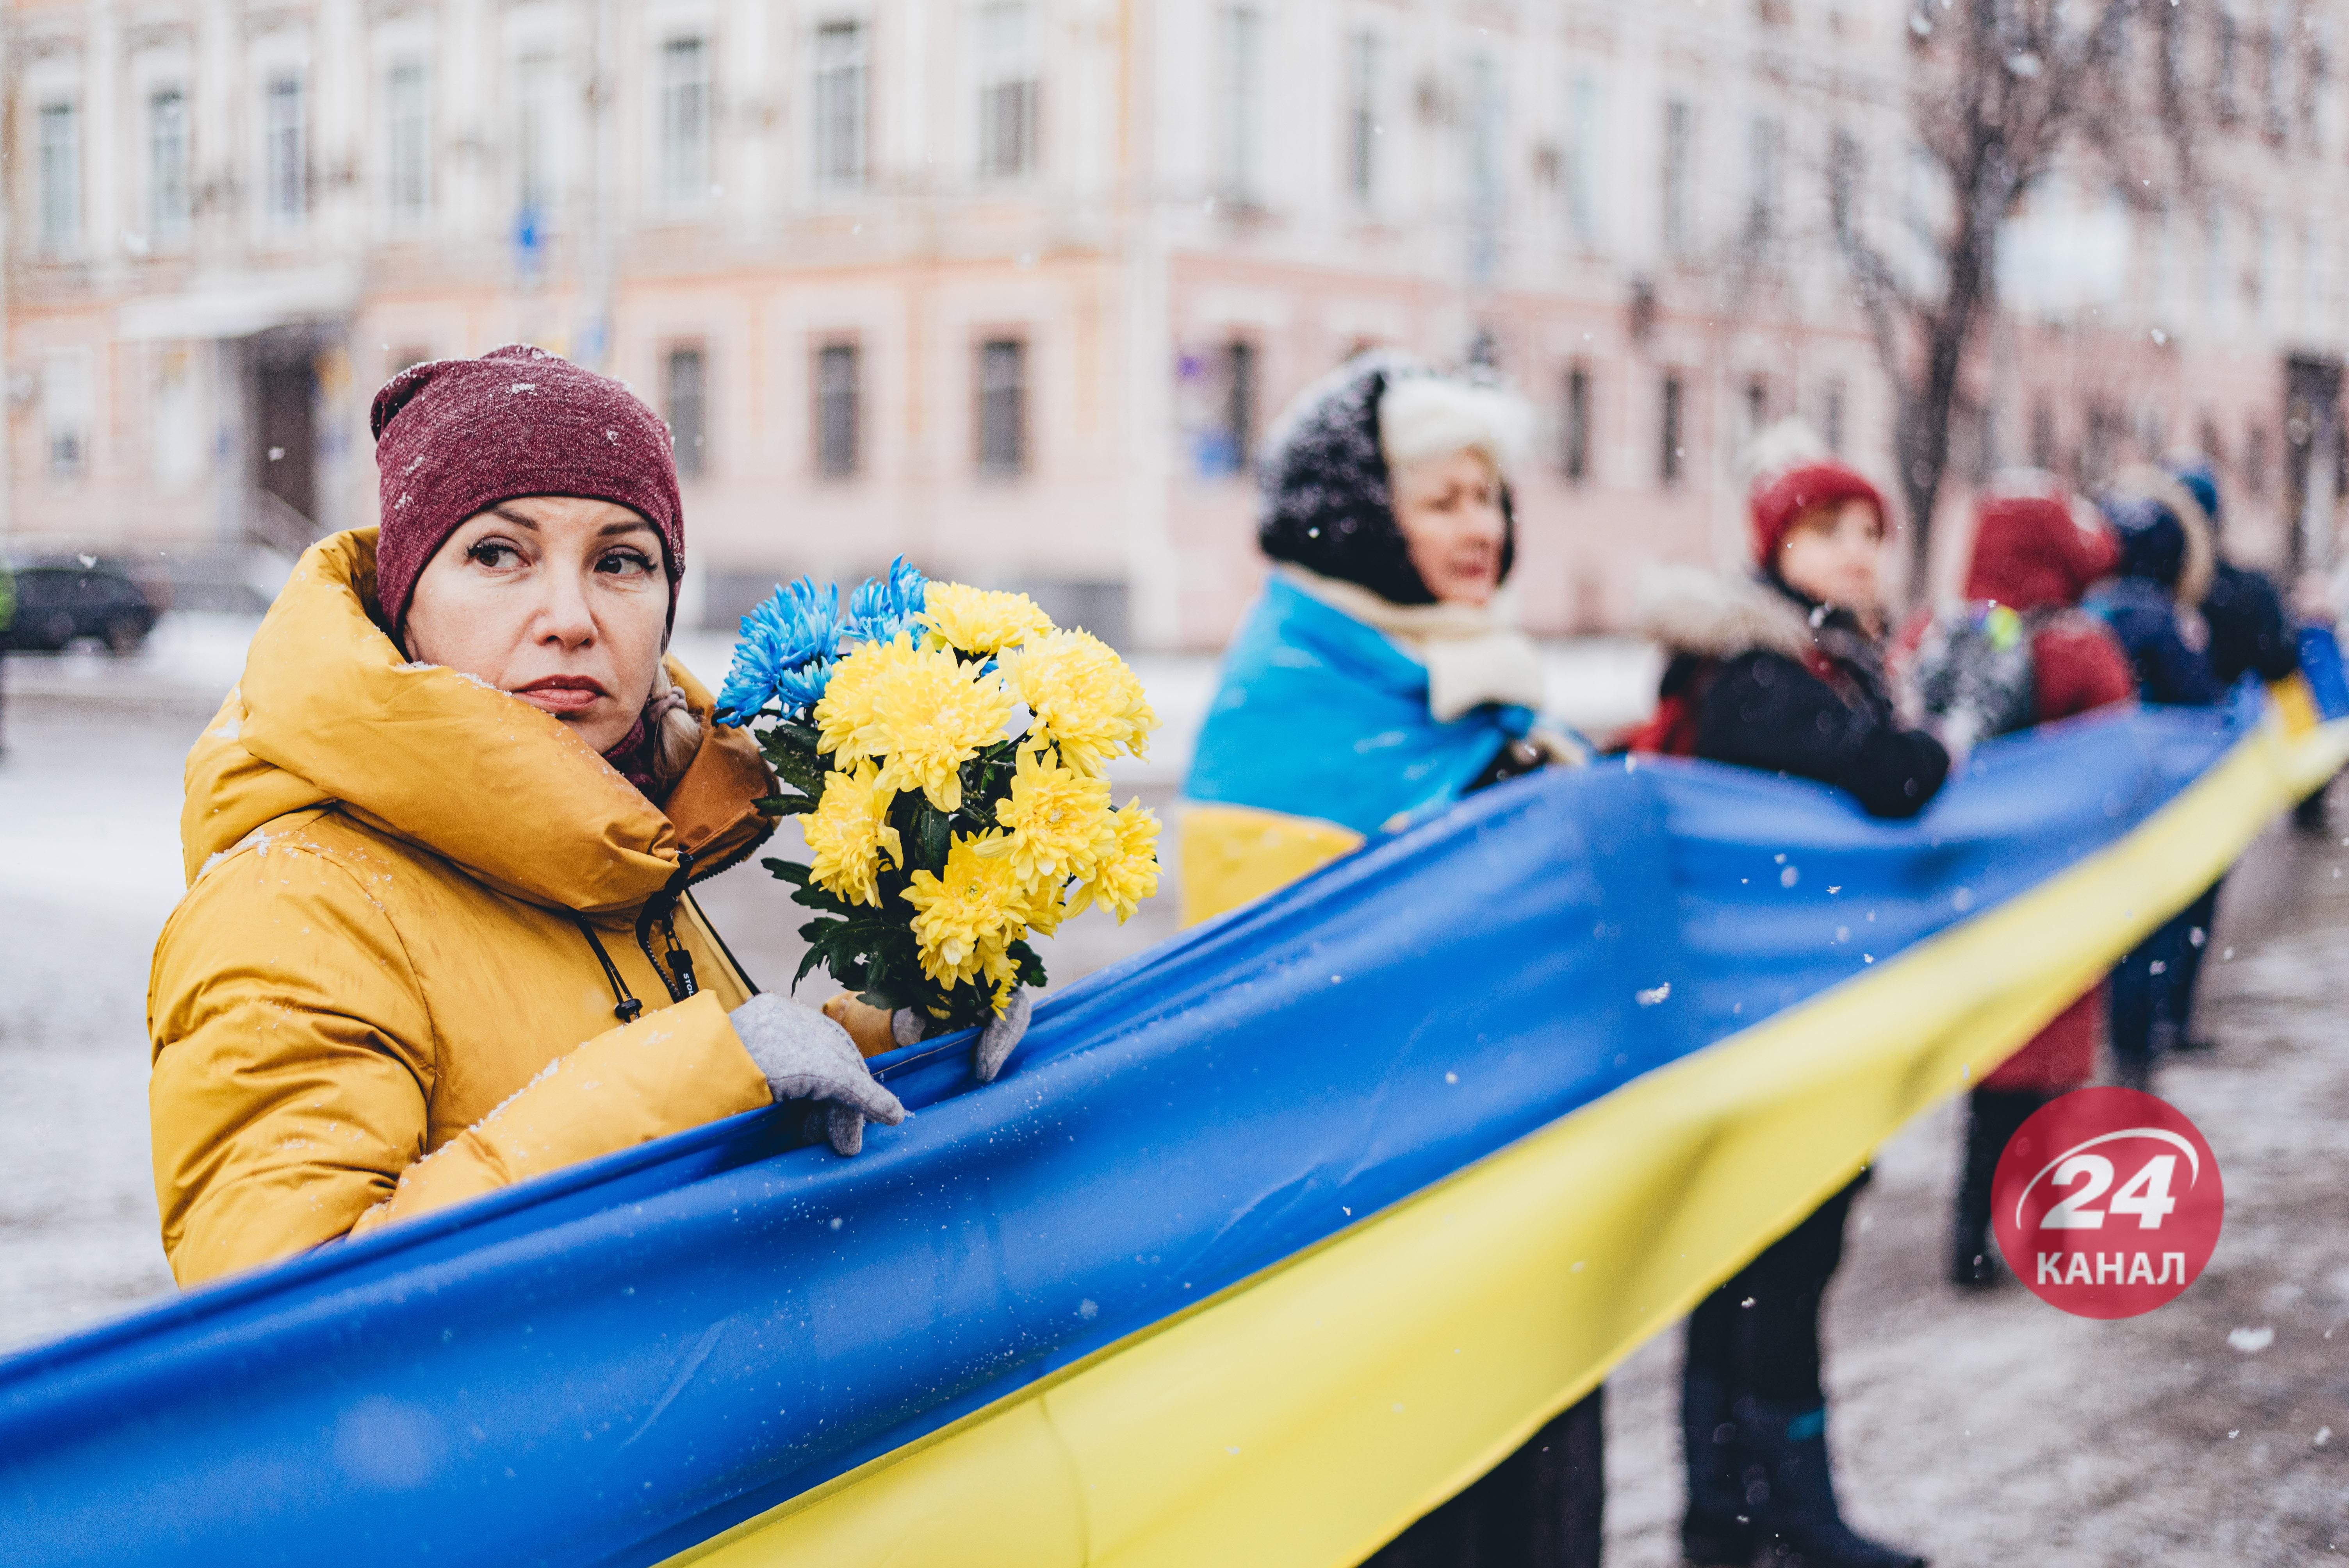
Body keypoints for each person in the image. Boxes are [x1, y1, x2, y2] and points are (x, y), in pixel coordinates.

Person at [148, 346, 1022, 1288]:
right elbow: (291, 1323)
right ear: (403, 604)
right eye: (497, 554)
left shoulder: (622, 842)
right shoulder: (292, 907)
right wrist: (699, 1081)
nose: (570, 617)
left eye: (619, 561)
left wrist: (885, 1041)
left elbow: (674, 1188)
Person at [1184, 353, 1600, 1568]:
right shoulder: (1298, 689)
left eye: (1490, 497)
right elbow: (1287, 974)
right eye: (1444, 500)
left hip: (1517, 1167)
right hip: (1386, 1193)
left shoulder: (1470, 675)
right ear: (1365, 516)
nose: (1482, 528)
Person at [1633, 424, 1937, 1568]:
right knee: (1778, 1267)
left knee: (1755, 1267)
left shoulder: (1820, 660)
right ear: (1775, 547)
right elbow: (1887, 777)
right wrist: (1927, 754)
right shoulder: (1760, 672)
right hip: (1768, 1025)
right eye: (1826, 530)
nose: (1856, 551)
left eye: (1868, 531)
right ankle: (1785, 1512)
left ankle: (1729, 1510)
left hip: (1783, 1014)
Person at [1903, 479, 2135, 1288]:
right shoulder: (2077, 647)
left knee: (1993, 1076)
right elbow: (2116, 762)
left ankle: (1970, 1235)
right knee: (2051, 1077)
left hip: (1969, 896)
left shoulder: (1940, 634)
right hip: (2056, 895)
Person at [2085, 470, 2224, 1090]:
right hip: (2155, 805)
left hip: (2102, 805)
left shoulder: (2091, 612)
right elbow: (2199, 701)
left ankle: (2125, 1043)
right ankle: (2136, 1051)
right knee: (2150, 932)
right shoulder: (2161, 618)